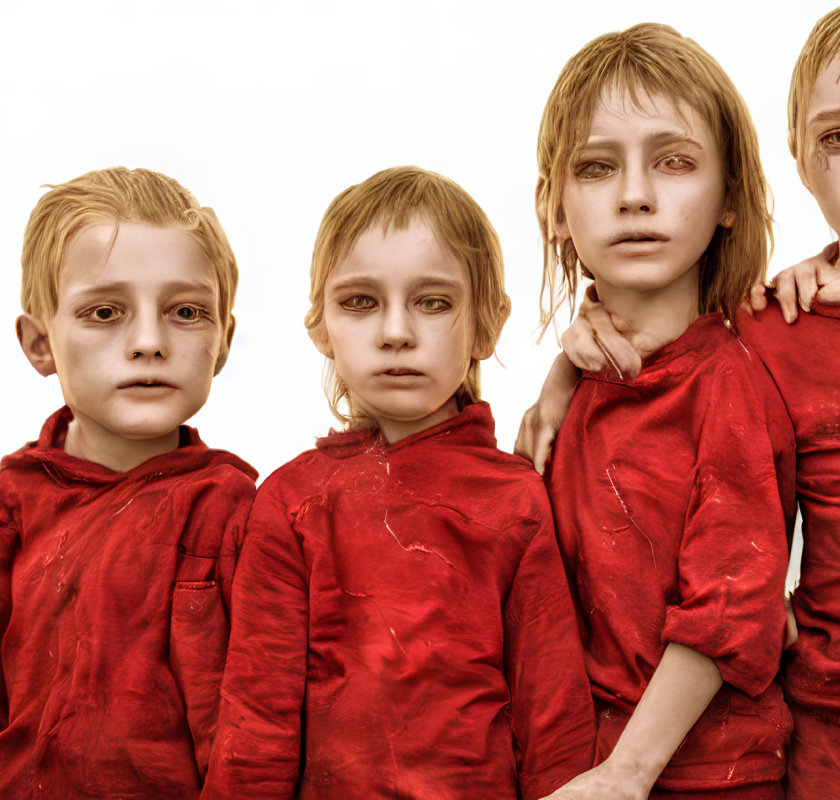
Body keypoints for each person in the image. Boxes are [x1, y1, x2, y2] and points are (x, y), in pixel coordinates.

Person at [522, 2, 840, 797]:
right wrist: (563, 372)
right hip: (830, 732)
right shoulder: (773, 327)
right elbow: (662, 344)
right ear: (801, 160)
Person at [202, 166, 595, 800]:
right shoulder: (290, 502)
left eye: (433, 302)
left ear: (488, 323)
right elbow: (258, 723)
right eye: (360, 302)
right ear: (320, 325)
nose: (395, 332)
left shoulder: (516, 500)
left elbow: (553, 721)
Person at [531, 24, 796, 800]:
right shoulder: (576, 387)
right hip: (579, 766)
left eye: (674, 162)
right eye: (596, 166)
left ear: (729, 202)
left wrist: (627, 772)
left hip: (706, 777)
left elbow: (730, 605)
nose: (635, 193)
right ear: (555, 207)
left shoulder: (730, 385)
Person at [0, 167, 257, 799]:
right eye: (105, 312)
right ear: (40, 344)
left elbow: (254, 727)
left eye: (186, 312)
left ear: (223, 339)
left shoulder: (235, 509)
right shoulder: (10, 504)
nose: (148, 342)